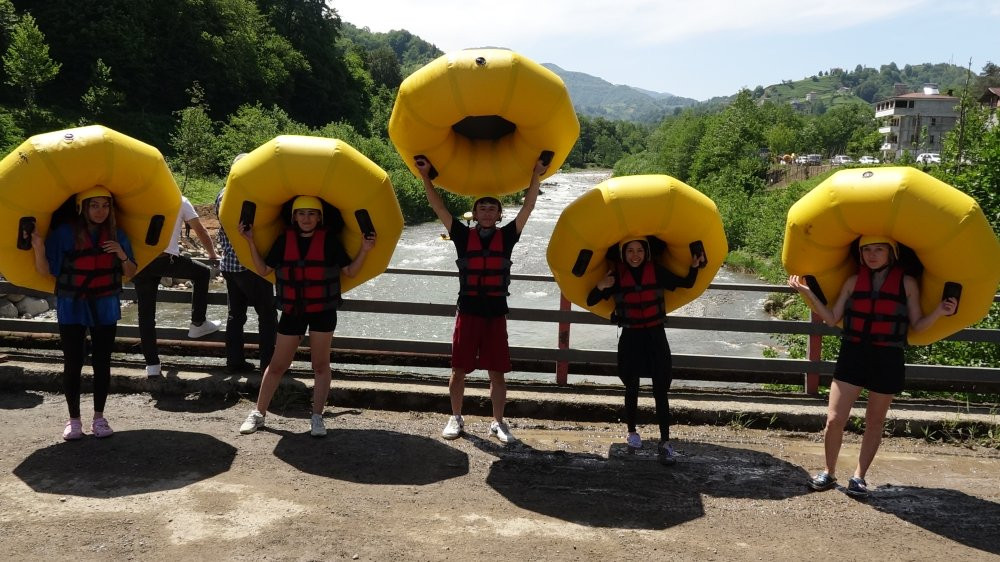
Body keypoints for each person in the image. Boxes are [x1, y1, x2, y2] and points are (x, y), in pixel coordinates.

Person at [789, 235, 956, 497]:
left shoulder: (907, 283)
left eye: (879, 249)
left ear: (892, 253)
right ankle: (829, 473)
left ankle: (859, 477)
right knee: (834, 419)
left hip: (887, 356)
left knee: (874, 421)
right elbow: (832, 319)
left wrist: (940, 312)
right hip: (853, 353)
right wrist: (808, 293)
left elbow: (918, 325)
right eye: (867, 250)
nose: (872, 254)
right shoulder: (854, 281)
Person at [416, 155, 548, 444]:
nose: (487, 212)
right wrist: (426, 176)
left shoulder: (509, 236)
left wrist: (535, 175)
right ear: (474, 214)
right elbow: (438, 206)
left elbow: (528, 206)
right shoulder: (461, 236)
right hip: (469, 311)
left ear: (499, 215)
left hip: (496, 313)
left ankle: (498, 422)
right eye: (482, 208)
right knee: (459, 368)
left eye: (492, 208)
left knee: (497, 371)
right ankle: (456, 417)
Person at [238, 196, 375, 437]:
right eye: (301, 214)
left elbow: (350, 271)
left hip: (323, 311)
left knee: (320, 365)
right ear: (294, 217)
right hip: (293, 311)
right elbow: (263, 269)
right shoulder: (284, 240)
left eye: (312, 214)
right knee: (277, 365)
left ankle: (317, 417)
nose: (306, 218)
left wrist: (365, 250)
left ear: (320, 217)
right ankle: (258, 413)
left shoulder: (330, 241)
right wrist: (249, 240)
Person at [31, 186, 137, 440]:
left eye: (105, 205)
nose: (100, 211)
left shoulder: (116, 234)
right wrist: (37, 244)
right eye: (94, 205)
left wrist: (121, 253)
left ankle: (99, 418)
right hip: (72, 304)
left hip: (105, 304)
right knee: (73, 362)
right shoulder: (65, 234)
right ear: (82, 208)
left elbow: (130, 272)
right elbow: (46, 270)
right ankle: (74, 421)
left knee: (102, 362)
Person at [587, 238, 704, 465]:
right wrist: (601, 285)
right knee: (632, 385)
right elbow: (592, 299)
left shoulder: (656, 271)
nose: (635, 255)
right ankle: (632, 433)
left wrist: (695, 265)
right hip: (631, 337)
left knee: (661, 388)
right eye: (630, 250)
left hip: (655, 336)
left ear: (646, 252)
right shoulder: (616, 276)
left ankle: (665, 442)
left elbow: (687, 283)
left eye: (639, 250)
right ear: (623, 254)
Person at [132, 195, 222, 377]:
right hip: (165, 260)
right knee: (202, 272)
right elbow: (201, 230)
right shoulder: (179, 200)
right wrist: (212, 255)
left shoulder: (140, 198)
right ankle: (198, 322)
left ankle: (152, 366)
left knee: (145, 316)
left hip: (140, 263)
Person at [216, 154, 276, 374]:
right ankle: (269, 365)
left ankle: (234, 362)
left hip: (229, 265)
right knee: (267, 315)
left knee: (236, 315)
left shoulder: (222, 194)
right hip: (250, 265)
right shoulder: (246, 197)